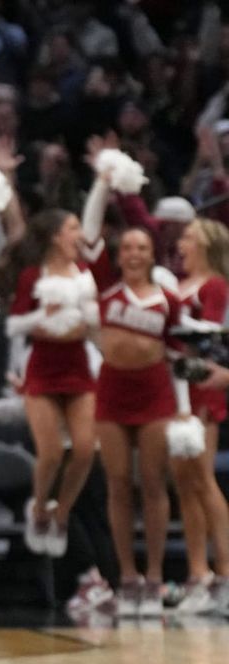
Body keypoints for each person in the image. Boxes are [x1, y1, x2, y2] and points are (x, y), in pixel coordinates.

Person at [80, 173, 188, 619]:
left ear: (152, 253)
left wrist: (182, 410)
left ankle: (156, 575)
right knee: (119, 484)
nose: (134, 253)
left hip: (156, 394)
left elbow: (179, 356)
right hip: (112, 391)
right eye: (127, 247)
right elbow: (88, 237)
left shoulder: (168, 298)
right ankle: (127, 575)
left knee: (154, 484)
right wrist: (104, 184)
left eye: (142, 247)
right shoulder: (105, 286)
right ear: (119, 254)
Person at [0, 208, 99, 561]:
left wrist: (85, 324)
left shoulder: (84, 274)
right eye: (73, 227)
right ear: (56, 235)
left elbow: (94, 321)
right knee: (51, 452)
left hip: (78, 367)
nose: (79, 234)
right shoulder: (31, 276)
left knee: (85, 450)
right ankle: (38, 508)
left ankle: (61, 512)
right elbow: (14, 326)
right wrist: (46, 320)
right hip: (42, 369)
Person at [171, 218, 229, 614]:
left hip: (202, 387)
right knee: (184, 483)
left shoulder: (214, 285)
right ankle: (198, 572)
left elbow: (209, 336)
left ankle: (225, 572)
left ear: (207, 244)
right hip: (176, 392)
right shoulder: (176, 286)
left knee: (203, 478)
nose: (182, 243)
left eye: (190, 237)